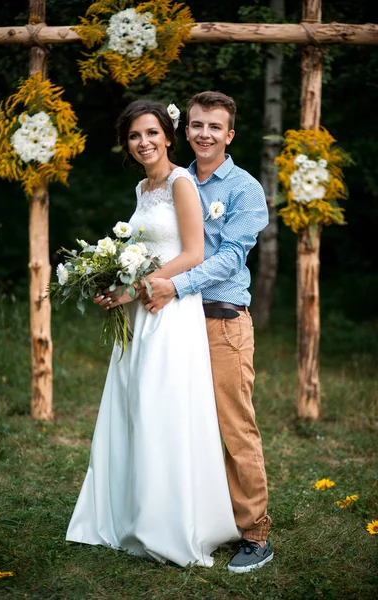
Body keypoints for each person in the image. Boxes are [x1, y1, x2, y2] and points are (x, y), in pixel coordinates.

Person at [65, 99, 240, 568]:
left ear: (169, 136)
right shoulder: (144, 187)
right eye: (134, 136)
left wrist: (136, 288)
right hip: (143, 309)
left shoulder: (183, 182)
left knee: (162, 404)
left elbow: (195, 252)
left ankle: (171, 523)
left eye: (151, 133)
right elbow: (143, 249)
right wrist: (116, 283)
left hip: (170, 309)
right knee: (134, 404)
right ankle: (131, 513)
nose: (143, 142)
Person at [134, 91, 273, 573]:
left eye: (215, 127)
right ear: (185, 130)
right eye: (196, 125)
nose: (204, 134)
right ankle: (197, 519)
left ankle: (255, 533)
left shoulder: (246, 189)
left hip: (221, 320)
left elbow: (232, 257)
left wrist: (173, 284)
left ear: (230, 135)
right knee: (184, 424)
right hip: (174, 325)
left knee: (234, 425)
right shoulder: (173, 180)